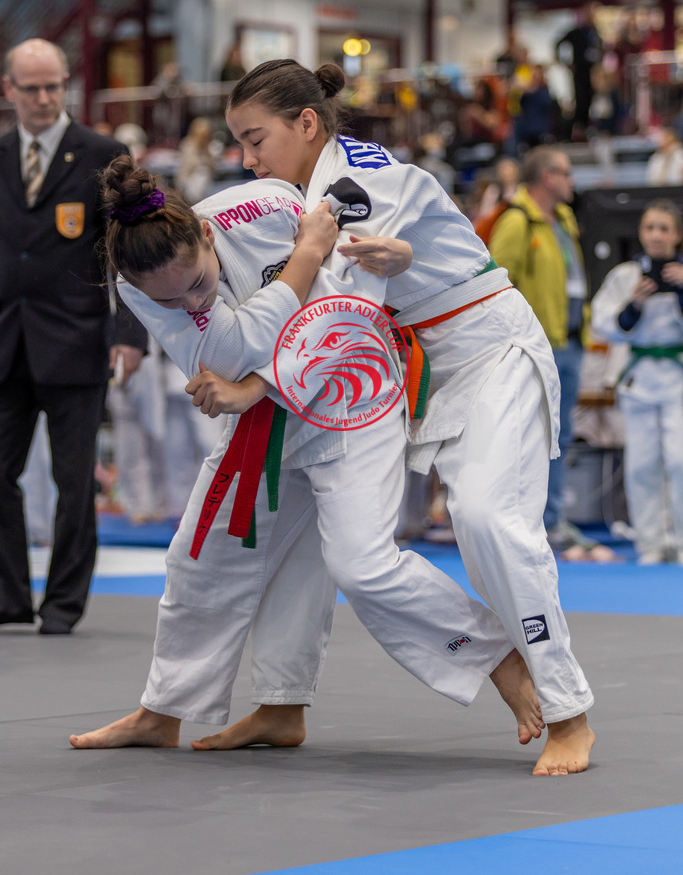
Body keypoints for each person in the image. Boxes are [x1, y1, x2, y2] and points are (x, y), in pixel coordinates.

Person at [113, 60, 594, 775]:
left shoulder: (359, 184)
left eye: (255, 139)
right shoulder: (287, 198)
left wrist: (252, 389)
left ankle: (565, 707)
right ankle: (279, 701)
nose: (246, 158)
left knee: (489, 521)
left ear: (306, 125)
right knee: (289, 534)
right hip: (403, 361)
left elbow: (343, 313)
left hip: (484, 348)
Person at [0, 38, 147, 635]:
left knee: (73, 481)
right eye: (30, 88)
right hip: (6, 342)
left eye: (53, 86)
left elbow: (135, 248)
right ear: (8, 89)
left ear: (66, 85)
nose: (43, 98)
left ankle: (62, 604)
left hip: (77, 342)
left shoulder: (106, 153)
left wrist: (131, 333)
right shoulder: (0, 153)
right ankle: (8, 597)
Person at [488, 146, 595, 556]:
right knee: (532, 437)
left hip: (569, 338)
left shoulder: (563, 219)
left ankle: (551, 521)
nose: (571, 181)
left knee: (561, 435)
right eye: (566, 173)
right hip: (537, 345)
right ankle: (529, 523)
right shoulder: (516, 221)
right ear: (547, 177)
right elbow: (495, 281)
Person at [591, 200, 683, 564]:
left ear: (676, 235)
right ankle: (650, 543)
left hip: (677, 376)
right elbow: (602, 323)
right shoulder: (625, 276)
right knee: (642, 462)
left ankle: (679, 540)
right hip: (639, 377)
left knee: (680, 460)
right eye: (649, 228)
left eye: (664, 228)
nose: (656, 235)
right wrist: (633, 306)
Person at [555, 3, 603, 139]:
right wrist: (564, 62)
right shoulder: (576, 32)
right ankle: (577, 129)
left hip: (593, 73)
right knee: (580, 100)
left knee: (591, 100)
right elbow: (558, 43)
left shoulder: (595, 32)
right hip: (579, 72)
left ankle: (587, 128)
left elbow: (600, 50)